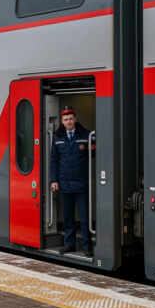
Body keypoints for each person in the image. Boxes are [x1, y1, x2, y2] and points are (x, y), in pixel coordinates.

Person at [50, 106, 94, 258]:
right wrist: (54, 180)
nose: (69, 122)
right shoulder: (57, 137)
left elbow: (96, 153)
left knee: (84, 216)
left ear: (75, 119)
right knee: (68, 216)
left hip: (82, 182)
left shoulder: (87, 135)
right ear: (62, 121)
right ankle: (70, 245)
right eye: (66, 120)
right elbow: (54, 160)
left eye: (71, 119)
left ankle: (87, 246)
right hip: (65, 182)